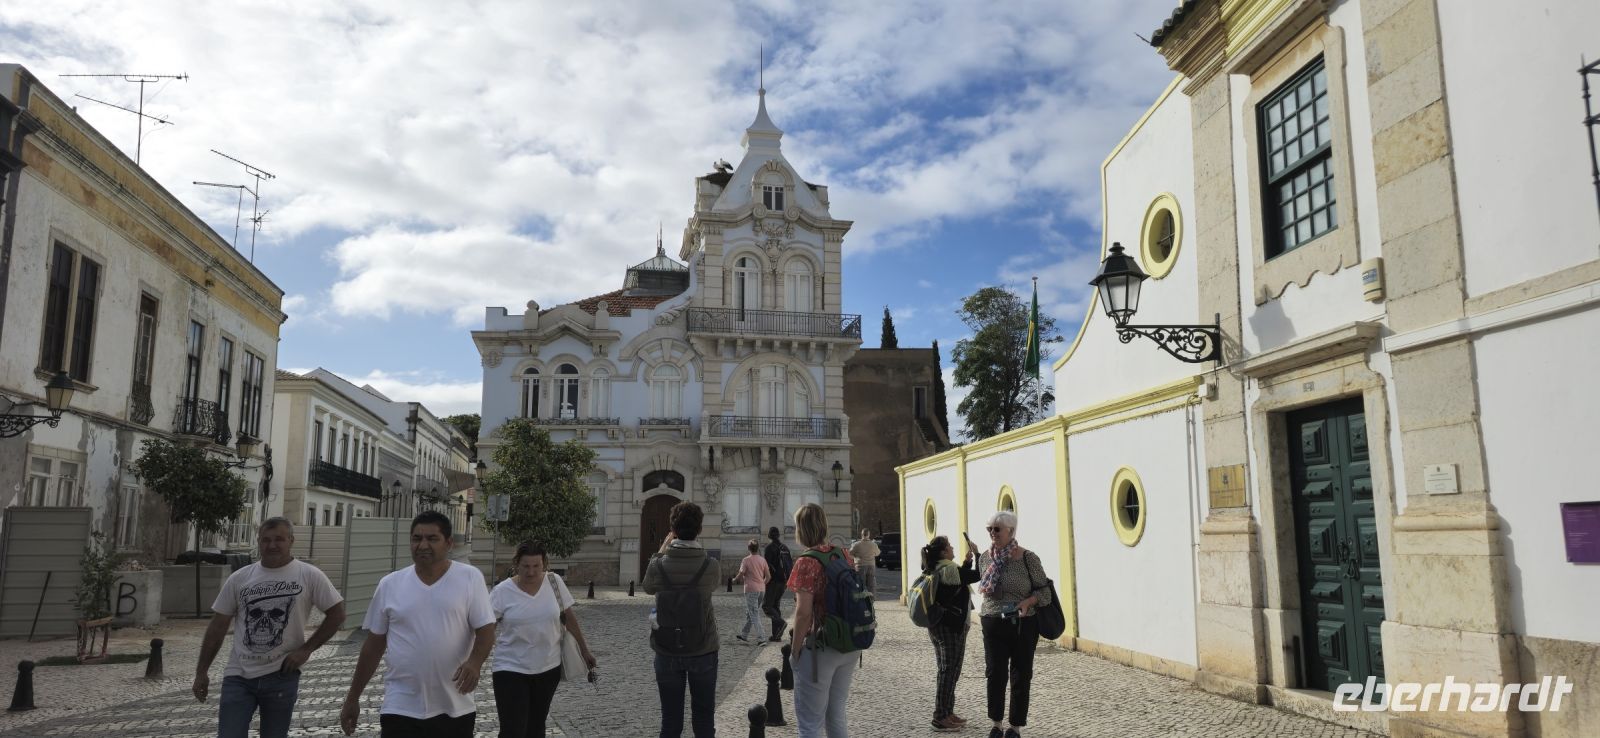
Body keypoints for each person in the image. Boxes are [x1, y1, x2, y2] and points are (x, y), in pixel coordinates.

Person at [340, 511, 496, 738]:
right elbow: (373, 647)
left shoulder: (470, 578)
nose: (423, 545)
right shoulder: (390, 584)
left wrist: (474, 663)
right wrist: (352, 698)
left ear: (449, 543)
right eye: (416, 538)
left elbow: (486, 630)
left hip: (454, 705)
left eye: (432, 538)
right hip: (400, 706)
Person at [194, 518, 346, 738]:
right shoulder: (240, 578)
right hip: (239, 676)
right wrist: (201, 671)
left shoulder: (309, 575)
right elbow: (218, 626)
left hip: (281, 675)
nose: (272, 545)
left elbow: (337, 613)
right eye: (266, 540)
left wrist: (306, 649)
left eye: (279, 539)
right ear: (259, 541)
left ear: (291, 541)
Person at [490, 540, 598, 738]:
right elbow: (488, 629)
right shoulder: (502, 592)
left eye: (536, 566)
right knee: (513, 730)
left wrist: (585, 649)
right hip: (510, 668)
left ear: (544, 564)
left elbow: (569, 617)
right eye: (525, 566)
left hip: (548, 668)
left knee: (536, 727)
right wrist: (473, 660)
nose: (531, 572)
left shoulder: (554, 582)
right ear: (516, 565)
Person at [643, 501, 721, 738]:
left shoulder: (658, 564)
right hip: (703, 647)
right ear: (699, 529)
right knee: (704, 717)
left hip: (666, 648)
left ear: (673, 530)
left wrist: (662, 549)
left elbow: (647, 587)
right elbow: (713, 586)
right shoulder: (710, 566)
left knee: (670, 720)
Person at [977, 511, 1052, 738]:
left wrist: (1029, 601)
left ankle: (1015, 727)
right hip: (992, 621)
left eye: (997, 529)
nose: (992, 533)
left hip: (1022, 624)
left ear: (1011, 531)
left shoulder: (1028, 558)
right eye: (989, 529)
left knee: (1021, 674)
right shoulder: (984, 558)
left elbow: (1045, 591)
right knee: (995, 673)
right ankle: (996, 724)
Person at [788, 502, 857, 738]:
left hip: (821, 647)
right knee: (836, 714)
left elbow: (803, 613)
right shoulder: (844, 554)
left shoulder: (806, 562)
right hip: (849, 642)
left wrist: (795, 650)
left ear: (801, 529)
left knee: (810, 722)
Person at [922, 535, 980, 732]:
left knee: (949, 670)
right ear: (944, 552)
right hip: (949, 628)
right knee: (948, 671)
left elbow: (960, 577)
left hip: (941, 626)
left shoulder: (942, 568)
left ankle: (947, 712)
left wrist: (967, 561)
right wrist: (978, 554)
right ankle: (940, 717)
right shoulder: (948, 569)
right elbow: (976, 575)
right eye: (950, 546)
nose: (953, 547)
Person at [732, 538, 770, 643]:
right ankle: (744, 634)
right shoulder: (763, 560)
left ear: (748, 548)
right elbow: (768, 576)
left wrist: (734, 579)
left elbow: (741, 573)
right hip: (762, 590)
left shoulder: (746, 560)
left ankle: (762, 638)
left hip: (750, 590)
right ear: (757, 548)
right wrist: (762, 583)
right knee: (750, 613)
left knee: (754, 614)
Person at [761, 526, 791, 642]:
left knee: (767, 606)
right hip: (783, 581)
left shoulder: (769, 548)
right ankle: (776, 635)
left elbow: (767, 566)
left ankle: (781, 622)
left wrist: (765, 580)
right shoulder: (785, 547)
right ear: (778, 535)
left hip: (773, 581)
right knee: (775, 606)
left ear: (769, 535)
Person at [848, 529, 881, 598]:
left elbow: (849, 554)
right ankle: (871, 600)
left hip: (860, 566)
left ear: (862, 535)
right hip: (871, 565)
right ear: (868, 535)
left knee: (860, 583)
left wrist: (855, 557)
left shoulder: (856, 544)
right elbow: (878, 553)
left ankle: (861, 600)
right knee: (871, 584)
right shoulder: (873, 544)